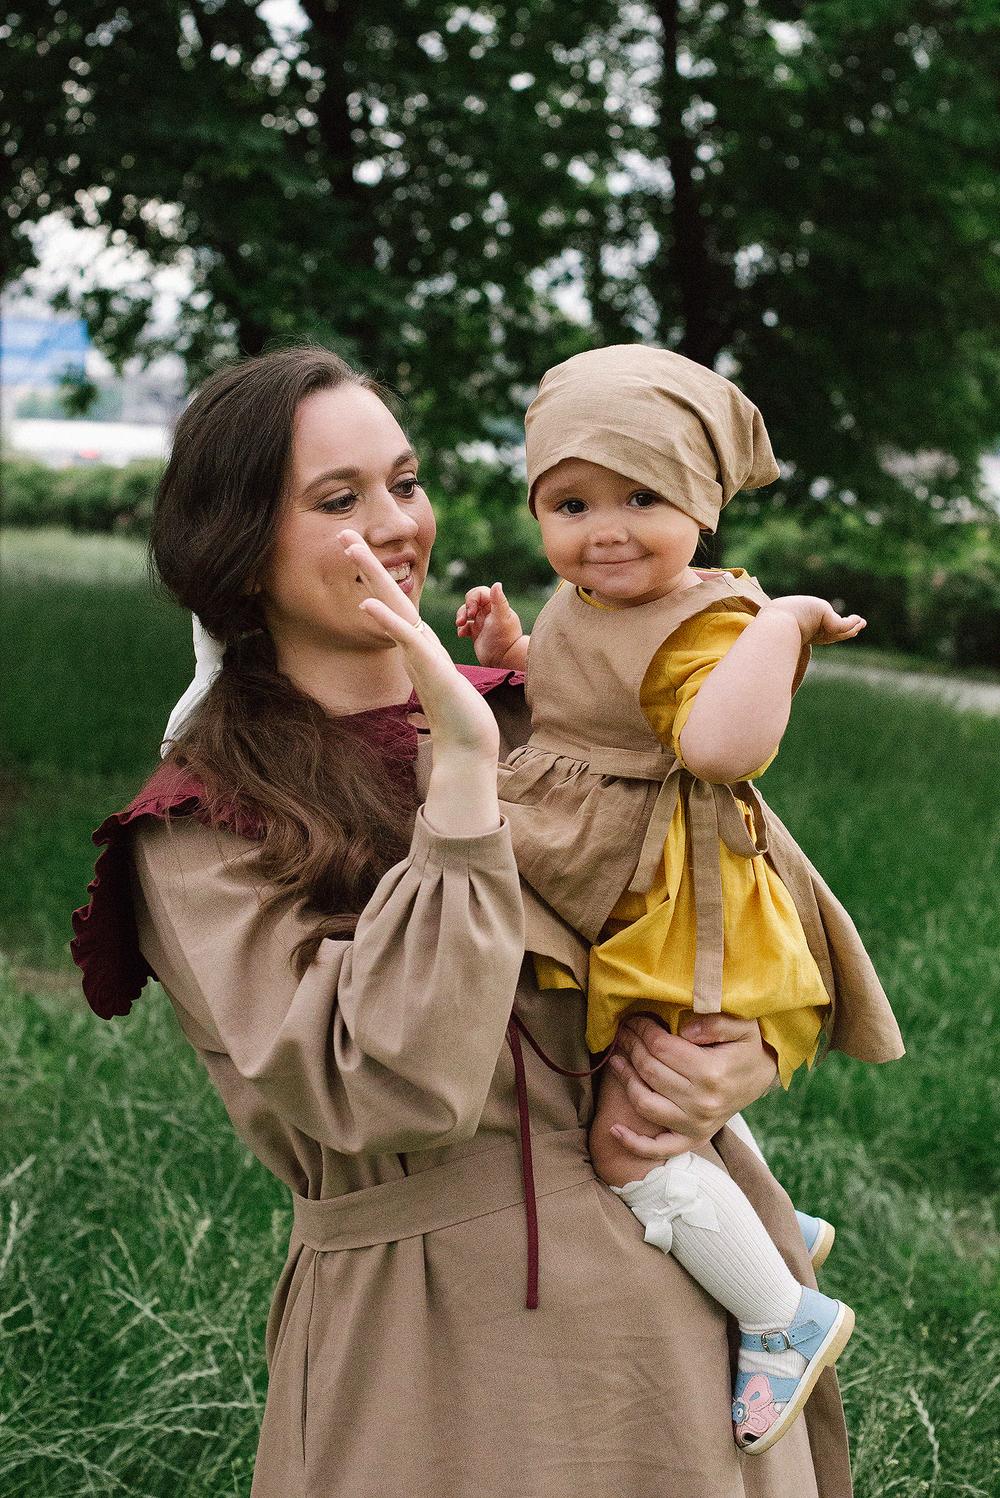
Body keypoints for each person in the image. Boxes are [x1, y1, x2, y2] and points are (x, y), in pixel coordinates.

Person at [72, 345, 873, 1498]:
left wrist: (744, 1048)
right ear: (238, 552)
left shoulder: (566, 713)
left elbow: (760, 896)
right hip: (445, 1350)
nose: (396, 524)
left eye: (404, 482)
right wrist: (457, 793)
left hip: (691, 1313)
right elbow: (381, 1092)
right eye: (338, 500)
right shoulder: (202, 825)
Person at [455, 344, 904, 1453]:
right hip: (605, 870)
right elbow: (576, 692)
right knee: (649, 1064)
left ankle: (778, 1310)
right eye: (571, 501)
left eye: (641, 497)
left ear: (701, 505)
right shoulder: (592, 589)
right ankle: (753, 1213)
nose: (604, 528)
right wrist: (515, 650)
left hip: (679, 906)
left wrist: (782, 628)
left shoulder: (712, 620)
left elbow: (717, 746)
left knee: (634, 1131)